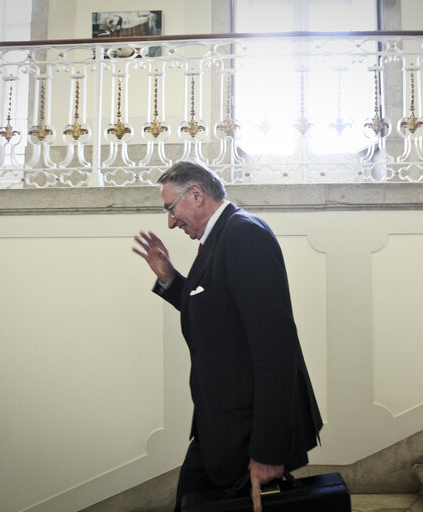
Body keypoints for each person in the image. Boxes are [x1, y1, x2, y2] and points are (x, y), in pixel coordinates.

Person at [133, 161, 323, 512]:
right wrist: (170, 278)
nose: (170, 222)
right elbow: (216, 315)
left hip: (246, 430)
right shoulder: (223, 237)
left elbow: (275, 350)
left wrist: (267, 450)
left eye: (170, 209)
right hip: (219, 423)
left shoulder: (243, 235)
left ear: (196, 194)